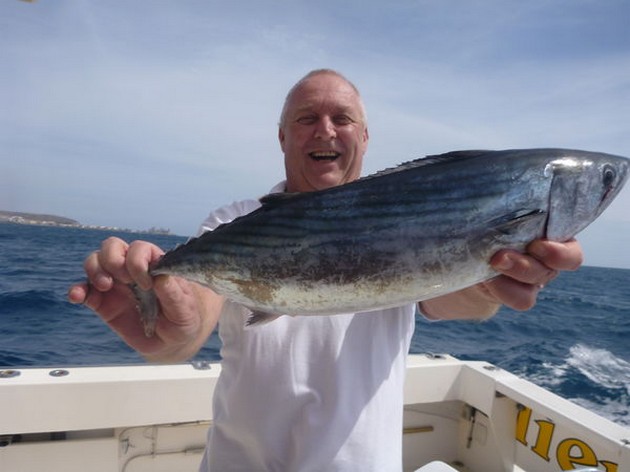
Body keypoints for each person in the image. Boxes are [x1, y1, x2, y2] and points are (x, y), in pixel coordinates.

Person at [68, 69, 583, 471]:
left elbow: (452, 299)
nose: (326, 130)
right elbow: (193, 315)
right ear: (282, 138)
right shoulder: (233, 223)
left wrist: (492, 277)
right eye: (306, 118)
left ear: (364, 134)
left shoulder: (406, 217)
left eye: (342, 118)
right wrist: (168, 332)